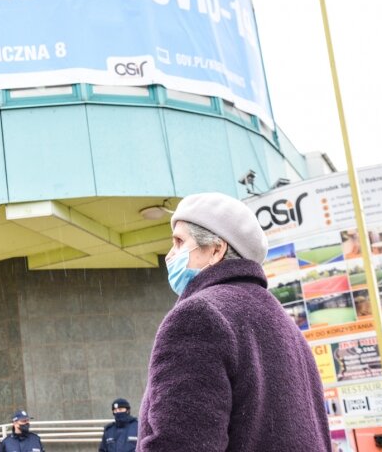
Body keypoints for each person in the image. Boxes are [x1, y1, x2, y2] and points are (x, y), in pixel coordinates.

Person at [138, 193, 331, 451]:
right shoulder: (284, 323)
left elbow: (180, 442)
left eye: (179, 242)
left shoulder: (198, 316)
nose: (170, 255)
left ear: (216, 250)